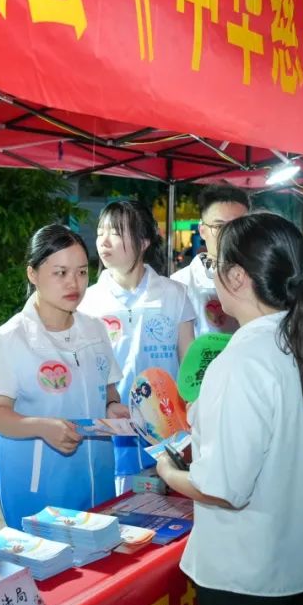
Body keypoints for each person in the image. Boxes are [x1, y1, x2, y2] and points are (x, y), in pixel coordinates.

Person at [155, 212, 303, 605]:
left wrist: (170, 474)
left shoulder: (241, 361)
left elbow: (224, 488)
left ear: (236, 276)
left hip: (251, 578)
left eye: (213, 262)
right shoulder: (299, 341)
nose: (211, 273)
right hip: (299, 561)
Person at [0, 224, 127, 528]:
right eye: (60, 273)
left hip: (98, 477)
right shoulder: (9, 339)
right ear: (33, 274)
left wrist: (113, 407)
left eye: (82, 272)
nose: (74, 283)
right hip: (44, 484)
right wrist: (42, 427)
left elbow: (108, 391)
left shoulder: (95, 329)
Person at [79, 200, 196, 491]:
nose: (103, 241)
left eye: (116, 233)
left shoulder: (175, 294)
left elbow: (189, 366)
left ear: (144, 242)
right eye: (100, 232)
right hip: (112, 429)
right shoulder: (88, 301)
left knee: (167, 503)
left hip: (168, 428)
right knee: (116, 504)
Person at [171, 185, 250, 337]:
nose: (228, 234)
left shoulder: (262, 280)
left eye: (237, 226)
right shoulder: (178, 285)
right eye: (219, 226)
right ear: (202, 231)